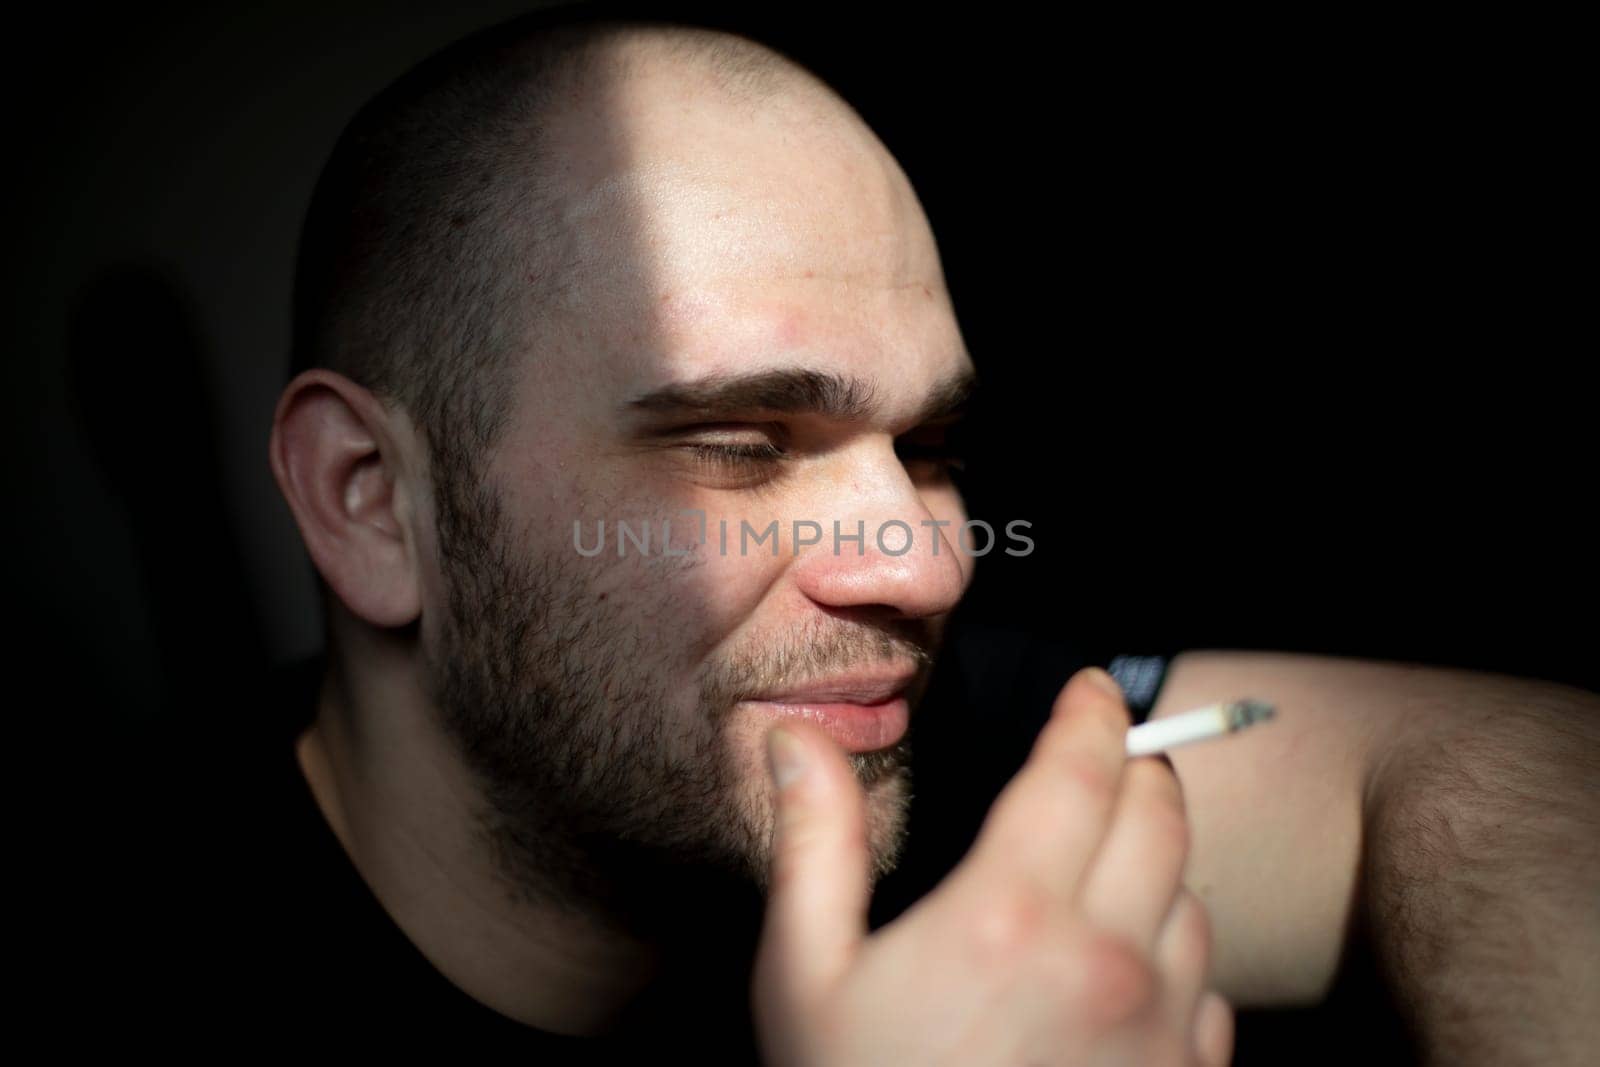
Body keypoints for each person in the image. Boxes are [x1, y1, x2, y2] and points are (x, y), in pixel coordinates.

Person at [247, 6, 1597, 1063]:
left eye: (930, 451)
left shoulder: (924, 739)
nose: (934, 563)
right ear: (371, 502)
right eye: (743, 446)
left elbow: (1524, 775)